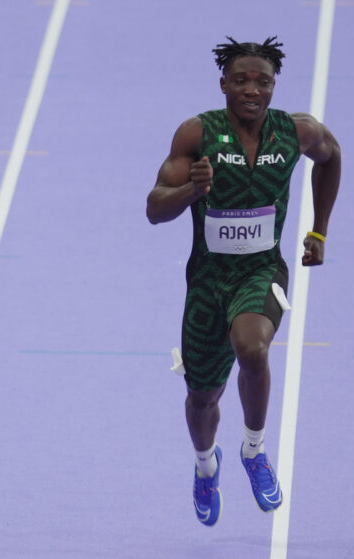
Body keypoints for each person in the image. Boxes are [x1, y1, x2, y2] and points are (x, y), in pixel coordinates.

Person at [146, 37, 341, 526]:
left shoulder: (296, 132)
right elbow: (154, 209)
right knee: (201, 399)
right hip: (209, 279)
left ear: (274, 87)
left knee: (253, 348)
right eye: (241, 80)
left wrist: (319, 230)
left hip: (262, 269)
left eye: (263, 81)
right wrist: (193, 188)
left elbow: (332, 156)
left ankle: (253, 452)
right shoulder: (197, 134)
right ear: (223, 85)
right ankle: (205, 465)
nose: (252, 89)